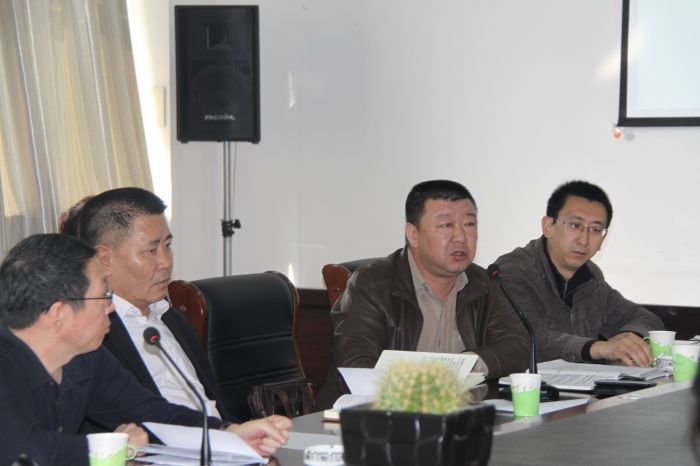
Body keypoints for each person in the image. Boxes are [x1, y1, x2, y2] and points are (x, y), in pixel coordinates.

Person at [0, 234, 290, 466]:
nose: (111, 307)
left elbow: (152, 415)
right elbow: (22, 453)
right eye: (104, 295)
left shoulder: (86, 358)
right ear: (59, 314)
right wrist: (115, 449)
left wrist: (230, 433)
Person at [317, 180, 530, 407]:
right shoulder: (371, 285)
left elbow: (518, 346)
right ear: (413, 234)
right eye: (446, 225)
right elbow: (356, 363)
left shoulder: (484, 283)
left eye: (469, 224)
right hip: (373, 414)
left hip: (456, 413)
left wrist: (468, 364)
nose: (460, 236)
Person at [494, 180, 663, 366]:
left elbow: (645, 318)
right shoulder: (512, 271)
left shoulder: (591, 277)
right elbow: (530, 339)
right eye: (575, 225)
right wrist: (598, 348)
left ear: (603, 238)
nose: (584, 240)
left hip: (581, 383)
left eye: (595, 230)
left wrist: (627, 339)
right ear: (548, 226)